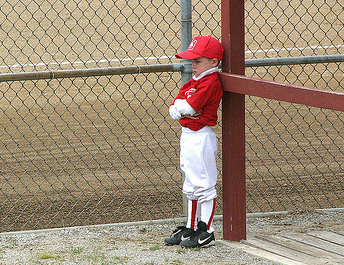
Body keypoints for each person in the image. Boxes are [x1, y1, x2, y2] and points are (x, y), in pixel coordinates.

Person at [165, 36, 224, 248]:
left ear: (214, 62)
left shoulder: (210, 82)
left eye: (198, 61)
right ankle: (191, 227)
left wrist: (183, 108)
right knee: (190, 183)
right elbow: (175, 109)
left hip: (201, 137)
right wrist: (183, 108)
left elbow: (188, 108)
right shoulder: (194, 82)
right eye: (192, 61)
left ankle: (206, 230)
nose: (193, 65)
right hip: (188, 135)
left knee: (204, 184)